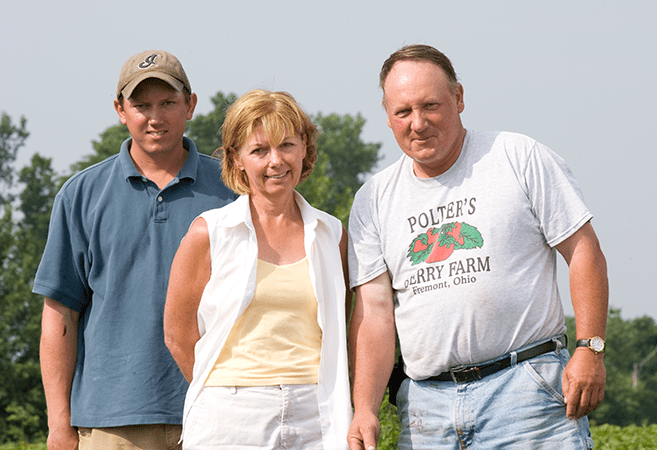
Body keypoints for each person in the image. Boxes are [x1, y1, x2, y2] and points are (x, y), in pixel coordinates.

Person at [346, 44, 609, 450]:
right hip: (426, 408)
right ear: (388, 117)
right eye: (403, 112)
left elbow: (583, 251)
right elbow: (375, 313)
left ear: (459, 98)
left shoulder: (517, 157)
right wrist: (363, 408)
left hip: (525, 393)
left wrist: (590, 347)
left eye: (430, 105)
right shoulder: (374, 198)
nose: (418, 123)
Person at [35, 50, 235, 450]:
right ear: (120, 110)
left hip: (218, 412)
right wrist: (59, 425)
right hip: (110, 421)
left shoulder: (233, 188)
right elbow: (60, 315)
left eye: (167, 103)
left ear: (191, 105)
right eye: (141, 105)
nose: (154, 117)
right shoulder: (81, 195)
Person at [164, 89, 353, 450]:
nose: (276, 161)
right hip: (232, 416)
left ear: (305, 150)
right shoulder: (210, 233)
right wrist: (227, 391)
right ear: (236, 159)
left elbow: (340, 323)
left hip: (318, 412)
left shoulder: (332, 234)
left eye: (287, 145)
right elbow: (177, 333)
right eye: (259, 150)